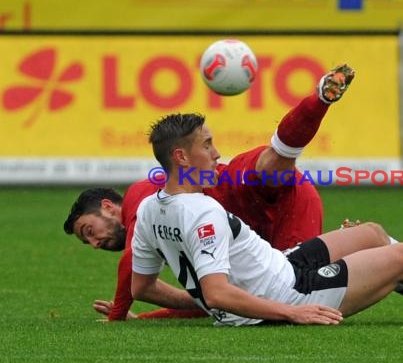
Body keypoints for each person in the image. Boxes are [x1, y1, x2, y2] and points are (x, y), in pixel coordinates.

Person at [130, 112, 403, 326]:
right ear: (181, 157)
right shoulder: (203, 210)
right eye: (207, 145)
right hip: (292, 293)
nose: (218, 153)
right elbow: (218, 292)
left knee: (373, 234)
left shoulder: (151, 206)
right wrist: (290, 312)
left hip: (283, 266)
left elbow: (142, 287)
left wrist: (202, 301)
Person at [63, 64, 355, 320]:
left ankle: (319, 100)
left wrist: (117, 317)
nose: (94, 243)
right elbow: (213, 297)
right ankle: (361, 247)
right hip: (236, 218)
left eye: (88, 230)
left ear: (107, 206)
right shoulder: (161, 213)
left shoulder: (140, 200)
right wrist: (148, 317)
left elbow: (131, 268)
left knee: (274, 166)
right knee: (262, 292)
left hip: (249, 195)